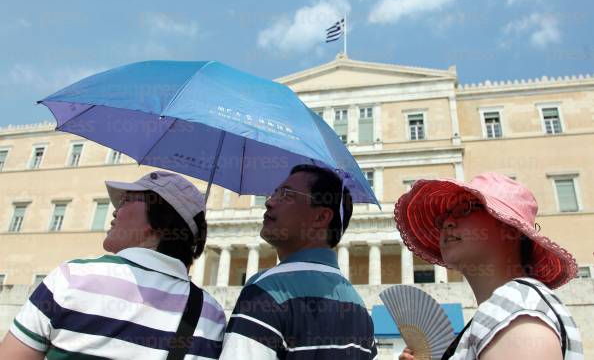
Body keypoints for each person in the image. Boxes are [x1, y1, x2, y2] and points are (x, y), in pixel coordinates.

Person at [0, 170, 226, 359]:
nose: (115, 210)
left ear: (159, 221)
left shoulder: (74, 278)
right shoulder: (211, 315)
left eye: (126, 200)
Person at [394, 172, 583, 360]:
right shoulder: (508, 309)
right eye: (443, 218)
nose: (447, 223)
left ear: (509, 227)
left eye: (464, 208)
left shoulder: (518, 308)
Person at [220, 164, 378, 359]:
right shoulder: (359, 308)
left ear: (321, 217)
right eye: (275, 193)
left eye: (286, 194)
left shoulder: (267, 290)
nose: (269, 202)